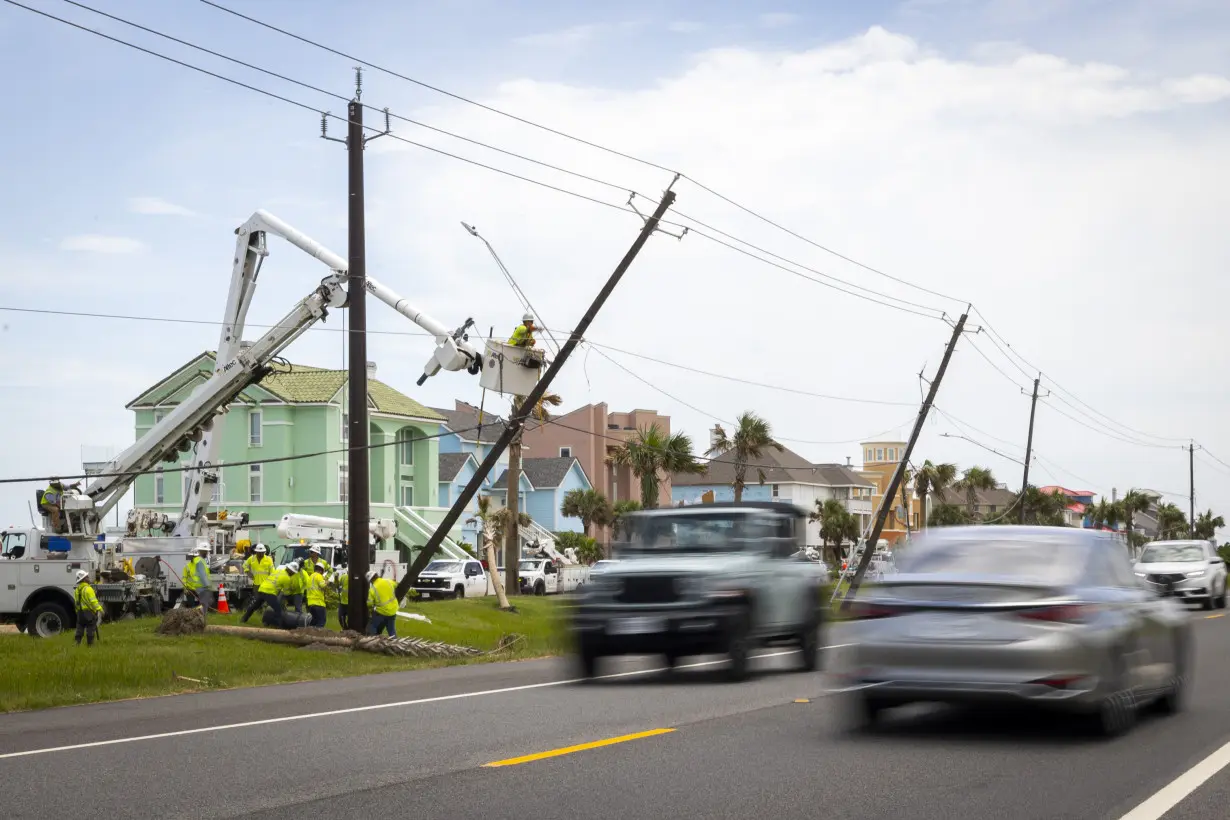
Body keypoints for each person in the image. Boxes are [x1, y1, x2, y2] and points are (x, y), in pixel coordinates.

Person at [240, 545, 275, 622]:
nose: (261, 554)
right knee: (256, 601)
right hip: (256, 584)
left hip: (266, 585)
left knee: (268, 602)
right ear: (256, 552)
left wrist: (272, 583)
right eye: (259, 552)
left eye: (262, 552)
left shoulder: (269, 559)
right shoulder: (251, 559)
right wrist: (248, 572)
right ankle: (256, 614)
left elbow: (272, 572)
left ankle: (267, 616)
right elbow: (244, 565)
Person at [73, 569, 104, 647]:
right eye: (87, 577)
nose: (88, 578)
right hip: (89, 613)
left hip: (80, 613)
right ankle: (90, 645)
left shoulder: (77, 590)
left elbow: (76, 603)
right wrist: (100, 610)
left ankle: (77, 643)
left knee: (79, 628)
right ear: (84, 579)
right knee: (90, 628)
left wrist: (77, 612)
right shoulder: (88, 589)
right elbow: (94, 602)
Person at [366, 570, 399, 637]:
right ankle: (394, 643)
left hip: (381, 612)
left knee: (371, 626)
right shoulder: (388, 581)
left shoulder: (373, 589)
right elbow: (396, 584)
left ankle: (373, 641)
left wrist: (370, 609)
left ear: (371, 580)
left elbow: (369, 603)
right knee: (391, 630)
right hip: (393, 610)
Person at [182, 545, 213, 611]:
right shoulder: (187, 566)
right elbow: (184, 578)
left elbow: (206, 576)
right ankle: (194, 616)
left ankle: (199, 615)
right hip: (191, 589)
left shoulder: (202, 564)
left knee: (202, 605)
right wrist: (185, 588)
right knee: (192, 606)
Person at [304, 560, 328, 628]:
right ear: (321, 570)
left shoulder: (310, 577)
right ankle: (318, 637)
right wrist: (327, 581)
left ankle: (309, 635)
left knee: (314, 621)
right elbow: (322, 585)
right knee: (321, 622)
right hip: (319, 603)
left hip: (311, 603)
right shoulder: (319, 576)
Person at [332, 564, 350, 631]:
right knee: (341, 617)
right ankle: (345, 629)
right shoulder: (344, 577)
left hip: (351, 603)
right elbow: (337, 585)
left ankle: (349, 630)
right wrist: (336, 577)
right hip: (343, 601)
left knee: (350, 619)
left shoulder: (355, 579)